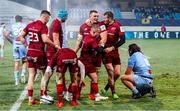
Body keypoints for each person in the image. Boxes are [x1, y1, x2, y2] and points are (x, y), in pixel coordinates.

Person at [19, 10, 57, 105]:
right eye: (48, 18)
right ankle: (43, 95)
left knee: (31, 75)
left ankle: (30, 99)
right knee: (45, 74)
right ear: (45, 17)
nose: (48, 20)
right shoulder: (43, 26)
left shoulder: (30, 25)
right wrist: (54, 45)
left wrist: (26, 45)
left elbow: (21, 36)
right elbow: (45, 39)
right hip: (39, 53)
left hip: (30, 52)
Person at [79, 24, 108, 101]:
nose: (99, 35)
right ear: (94, 31)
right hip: (85, 62)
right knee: (79, 79)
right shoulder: (91, 40)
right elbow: (99, 50)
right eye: (98, 33)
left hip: (86, 62)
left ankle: (95, 95)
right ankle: (72, 94)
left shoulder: (87, 37)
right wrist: (102, 45)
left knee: (94, 77)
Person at [100, 11, 125, 99]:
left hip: (114, 52)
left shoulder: (118, 26)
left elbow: (123, 40)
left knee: (117, 74)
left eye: (105, 18)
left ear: (110, 18)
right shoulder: (102, 24)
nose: (103, 20)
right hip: (105, 53)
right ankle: (113, 92)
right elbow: (93, 24)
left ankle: (105, 88)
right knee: (111, 72)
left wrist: (112, 48)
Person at [74, 10, 107, 74]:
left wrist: (99, 48)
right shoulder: (83, 26)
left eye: (97, 16)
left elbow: (104, 39)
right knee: (82, 72)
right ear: (90, 16)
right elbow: (79, 41)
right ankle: (79, 83)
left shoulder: (101, 25)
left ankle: (94, 83)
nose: (96, 18)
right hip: (85, 54)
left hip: (96, 54)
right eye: (95, 16)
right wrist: (74, 53)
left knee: (96, 72)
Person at [45, 9, 68, 98]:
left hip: (53, 51)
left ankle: (63, 91)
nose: (66, 18)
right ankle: (44, 93)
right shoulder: (56, 24)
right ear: (64, 16)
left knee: (60, 72)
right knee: (50, 72)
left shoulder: (56, 23)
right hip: (52, 52)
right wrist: (60, 52)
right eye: (66, 17)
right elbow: (55, 39)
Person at [10, 15, 28, 85]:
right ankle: (23, 74)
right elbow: (27, 35)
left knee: (16, 62)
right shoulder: (25, 25)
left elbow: (6, 34)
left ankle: (16, 81)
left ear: (15, 19)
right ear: (21, 19)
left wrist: (12, 42)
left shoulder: (12, 26)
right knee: (24, 61)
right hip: (23, 45)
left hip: (15, 45)